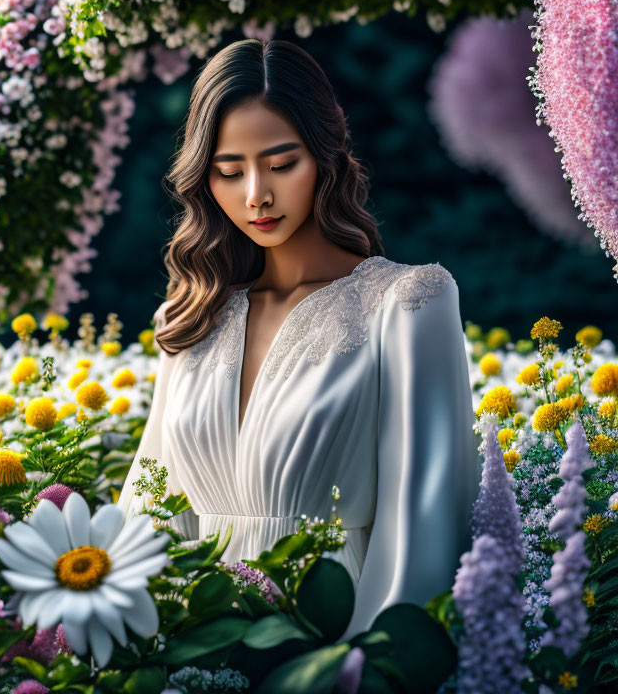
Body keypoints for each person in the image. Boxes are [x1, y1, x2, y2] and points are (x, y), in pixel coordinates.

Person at [116, 38, 482, 642]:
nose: (256, 192)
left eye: (281, 164)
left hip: (332, 644)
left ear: (325, 159)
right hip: (193, 653)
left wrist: (360, 671)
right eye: (229, 172)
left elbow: (423, 527)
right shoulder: (192, 318)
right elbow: (148, 507)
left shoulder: (408, 305)